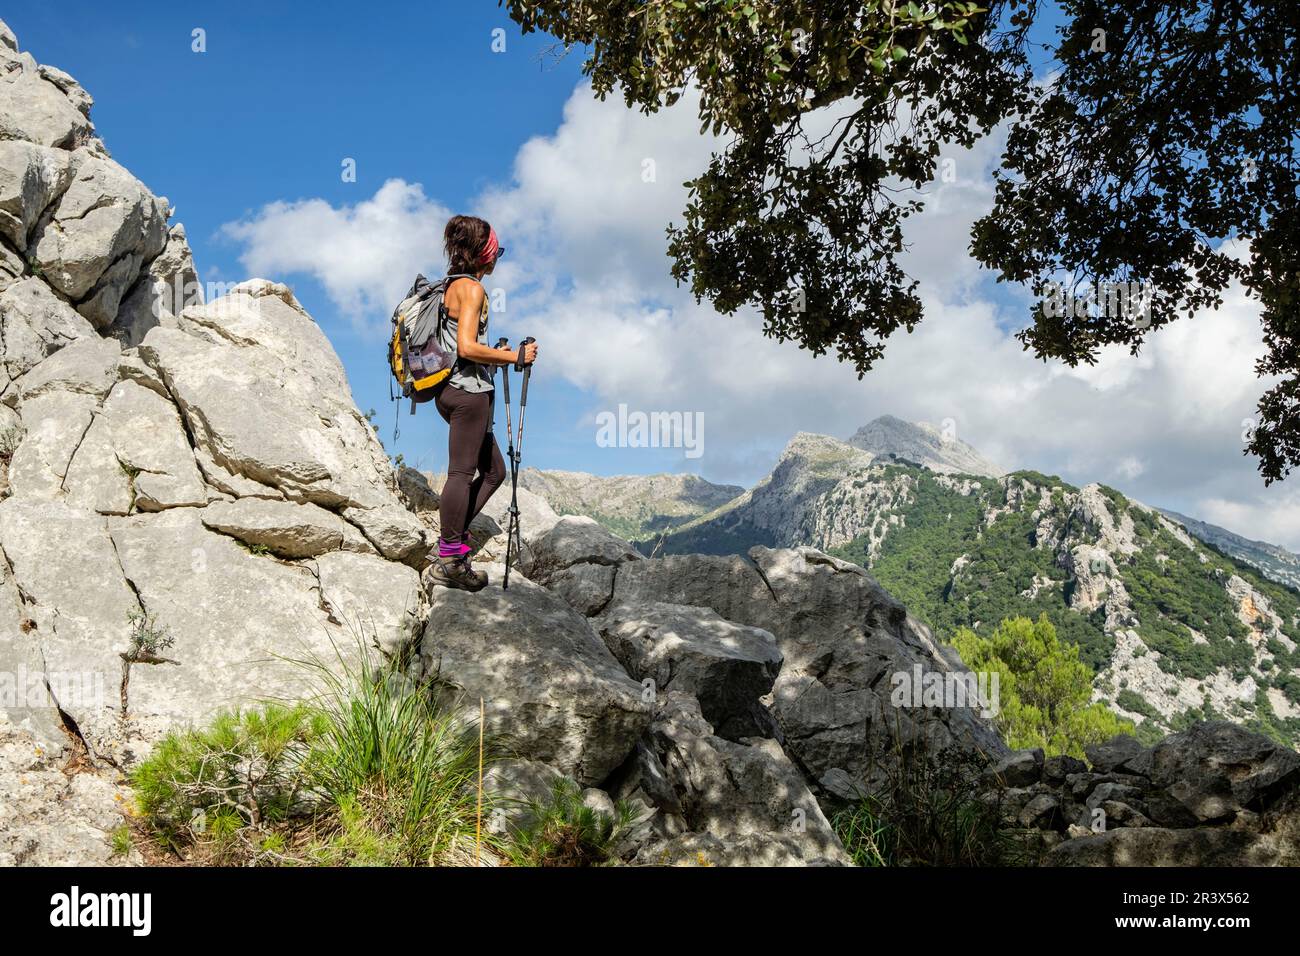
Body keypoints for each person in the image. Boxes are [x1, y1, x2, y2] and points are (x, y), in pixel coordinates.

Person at [425, 215, 538, 592]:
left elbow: (467, 343)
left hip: (449, 390)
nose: (497, 259)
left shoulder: (449, 286)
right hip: (468, 394)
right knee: (461, 473)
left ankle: (452, 540)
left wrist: (496, 354)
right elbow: (467, 347)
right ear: (484, 257)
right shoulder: (471, 290)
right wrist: (516, 357)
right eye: (497, 253)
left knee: (494, 472)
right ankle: (450, 558)